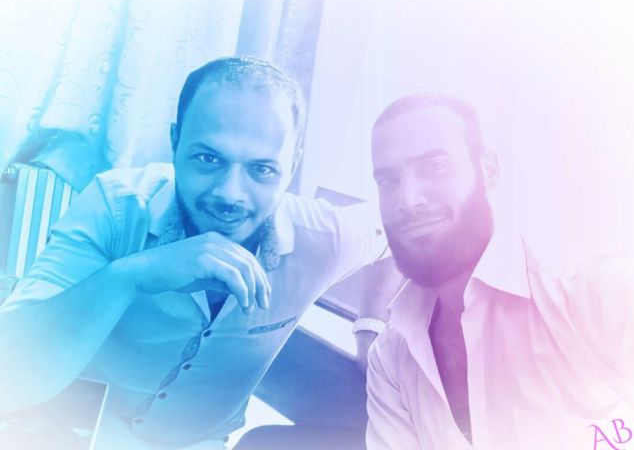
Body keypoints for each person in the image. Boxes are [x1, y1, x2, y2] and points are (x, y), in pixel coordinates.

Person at [0, 56, 387, 449]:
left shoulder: (322, 236)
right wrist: (131, 276)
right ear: (175, 142)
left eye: (261, 169)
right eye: (208, 159)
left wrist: (369, 325)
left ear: (293, 165)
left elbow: (399, 227)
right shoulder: (115, 207)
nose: (230, 194)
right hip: (72, 432)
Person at [366, 93, 634, 450]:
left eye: (435, 166)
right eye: (388, 181)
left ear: (490, 171)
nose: (407, 199)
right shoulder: (391, 357)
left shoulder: (586, 292)